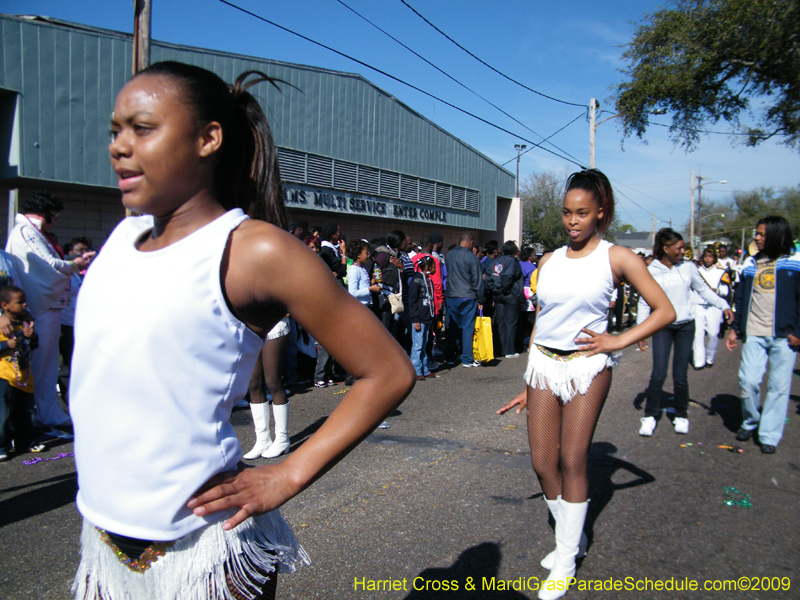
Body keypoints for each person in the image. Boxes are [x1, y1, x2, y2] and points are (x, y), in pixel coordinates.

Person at [69, 61, 415, 600]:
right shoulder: (122, 235)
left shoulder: (254, 250)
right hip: (104, 542)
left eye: (142, 128)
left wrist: (288, 473)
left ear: (209, 139)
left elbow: (388, 371)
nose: (119, 145)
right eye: (115, 130)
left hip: (204, 556)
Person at [498, 170, 674, 600]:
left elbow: (664, 310)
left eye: (582, 213)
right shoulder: (549, 260)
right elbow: (542, 318)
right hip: (543, 366)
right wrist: (528, 377)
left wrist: (617, 341)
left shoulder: (618, 258)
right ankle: (570, 540)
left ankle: (564, 559)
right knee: (543, 463)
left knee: (574, 460)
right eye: (566, 213)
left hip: (587, 368)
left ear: (600, 212)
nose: (572, 221)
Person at [5, 191, 95, 427]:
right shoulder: (26, 232)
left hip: (46, 307)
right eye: (54, 215)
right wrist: (75, 264)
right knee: (40, 365)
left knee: (47, 365)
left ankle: (45, 412)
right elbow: (49, 264)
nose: (55, 220)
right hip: (39, 307)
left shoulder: (30, 232)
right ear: (46, 213)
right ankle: (36, 415)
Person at [637, 229, 732, 437]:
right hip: (662, 327)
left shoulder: (688, 267)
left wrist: (723, 304)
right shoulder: (651, 271)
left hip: (685, 326)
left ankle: (681, 415)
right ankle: (650, 416)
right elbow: (644, 301)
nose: (683, 251)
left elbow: (704, 290)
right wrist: (640, 331)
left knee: (680, 375)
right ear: (666, 248)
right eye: (679, 248)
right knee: (658, 374)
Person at [726, 216, 800, 455]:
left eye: (761, 234)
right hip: (755, 333)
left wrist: (798, 331)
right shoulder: (750, 263)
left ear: (777, 236)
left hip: (784, 337)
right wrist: (735, 328)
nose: (756, 238)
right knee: (748, 381)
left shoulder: (795, 262)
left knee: (778, 387)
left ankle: (769, 434)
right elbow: (740, 298)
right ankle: (750, 421)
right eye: (757, 234)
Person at [0, 286, 43, 461]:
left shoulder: (25, 323)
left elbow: (33, 346)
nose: (24, 305)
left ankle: (25, 442)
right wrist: (5, 346)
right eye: (20, 302)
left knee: (25, 412)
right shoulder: (2, 325)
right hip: (4, 376)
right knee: (3, 414)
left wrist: (31, 336)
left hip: (24, 376)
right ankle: (2, 445)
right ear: (5, 305)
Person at [444, 232, 485, 368]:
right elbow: (477, 281)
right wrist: (481, 298)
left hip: (452, 295)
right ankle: (467, 358)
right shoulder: (472, 258)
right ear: (471, 242)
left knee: (452, 327)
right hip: (468, 296)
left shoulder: (449, 255)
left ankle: (451, 356)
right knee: (468, 328)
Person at [692, 247, 729, 369]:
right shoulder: (695, 271)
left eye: (711, 256)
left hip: (713, 306)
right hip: (697, 305)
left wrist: (716, 290)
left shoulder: (721, 272)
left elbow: (725, 290)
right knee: (698, 334)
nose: (708, 258)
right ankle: (698, 361)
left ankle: (709, 358)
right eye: (706, 256)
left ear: (714, 259)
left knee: (713, 334)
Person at [487, 241, 524, 358]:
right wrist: (504, 288)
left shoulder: (496, 260)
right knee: (510, 323)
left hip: (498, 295)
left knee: (500, 323)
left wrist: (494, 288)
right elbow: (508, 275)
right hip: (509, 294)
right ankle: (509, 350)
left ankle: (499, 349)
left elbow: (488, 275)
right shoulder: (512, 261)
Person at [408, 256, 437, 380]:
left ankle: (425, 369)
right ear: (427, 267)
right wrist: (415, 319)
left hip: (427, 317)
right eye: (434, 266)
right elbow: (412, 301)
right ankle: (416, 370)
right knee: (417, 345)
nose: (435, 268)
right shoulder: (416, 279)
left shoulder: (428, 279)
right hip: (419, 319)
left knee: (425, 344)